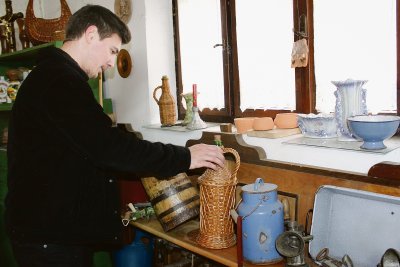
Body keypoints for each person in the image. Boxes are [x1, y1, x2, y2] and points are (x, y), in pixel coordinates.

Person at [5, 5, 224, 267]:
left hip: (50, 230)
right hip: (49, 238)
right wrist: (185, 156)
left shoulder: (55, 77)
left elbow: (91, 147)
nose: (110, 62)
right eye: (111, 50)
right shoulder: (59, 81)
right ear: (91, 34)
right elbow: (110, 149)